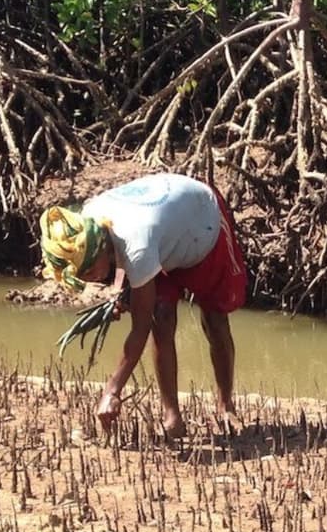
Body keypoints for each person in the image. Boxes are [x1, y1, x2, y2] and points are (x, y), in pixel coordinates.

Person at [39, 173, 247, 439]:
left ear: (99, 251)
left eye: (88, 273)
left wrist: (112, 391)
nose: (88, 281)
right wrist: (119, 290)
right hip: (162, 237)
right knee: (162, 318)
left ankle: (226, 406)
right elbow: (118, 259)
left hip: (202, 224)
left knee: (214, 318)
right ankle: (173, 417)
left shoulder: (137, 244)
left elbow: (139, 327)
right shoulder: (91, 218)